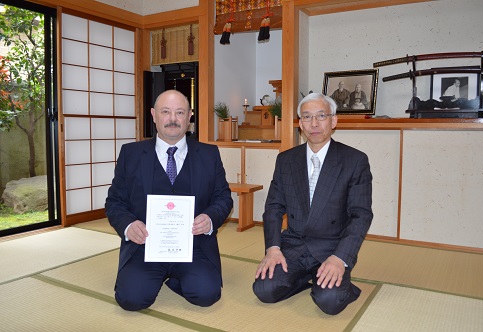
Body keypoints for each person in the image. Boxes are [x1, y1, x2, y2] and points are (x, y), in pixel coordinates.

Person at [105, 90, 233, 311]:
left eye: (180, 112)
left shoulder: (209, 154)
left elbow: (223, 197)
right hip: (145, 245)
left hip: (194, 245)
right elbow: (114, 201)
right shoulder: (131, 154)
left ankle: (174, 278)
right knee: (131, 300)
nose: (173, 119)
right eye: (166, 112)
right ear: (154, 115)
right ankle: (158, 277)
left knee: (206, 295)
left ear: (189, 116)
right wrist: (128, 226)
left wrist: (210, 219)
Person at [253, 93, 373, 315]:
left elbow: (361, 215)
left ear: (333, 121)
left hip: (332, 248)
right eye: (307, 117)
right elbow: (274, 208)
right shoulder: (286, 160)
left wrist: (340, 258)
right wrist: (273, 248)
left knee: (329, 302)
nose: (314, 124)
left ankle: (337, 283)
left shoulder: (354, 161)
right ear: (300, 124)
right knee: (264, 290)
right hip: (295, 245)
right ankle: (308, 280)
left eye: (321, 116)